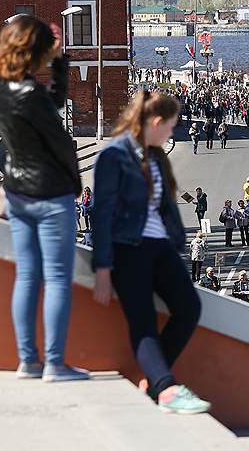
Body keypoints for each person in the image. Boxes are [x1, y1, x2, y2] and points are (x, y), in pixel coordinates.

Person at [91, 90, 209, 414]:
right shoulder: (114, 155)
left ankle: (154, 380)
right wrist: (102, 269)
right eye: (170, 126)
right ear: (155, 122)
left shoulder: (155, 154)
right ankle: (167, 389)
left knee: (189, 307)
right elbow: (101, 213)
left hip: (160, 246)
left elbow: (164, 207)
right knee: (142, 320)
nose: (172, 133)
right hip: (128, 248)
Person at [0, 15, 86, 382]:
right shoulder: (30, 94)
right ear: (33, 50)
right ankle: (55, 364)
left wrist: (61, 63)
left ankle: (28, 360)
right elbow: (62, 143)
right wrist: (74, 185)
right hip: (49, 194)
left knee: (27, 277)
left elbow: (53, 100)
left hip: (17, 192)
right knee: (58, 278)